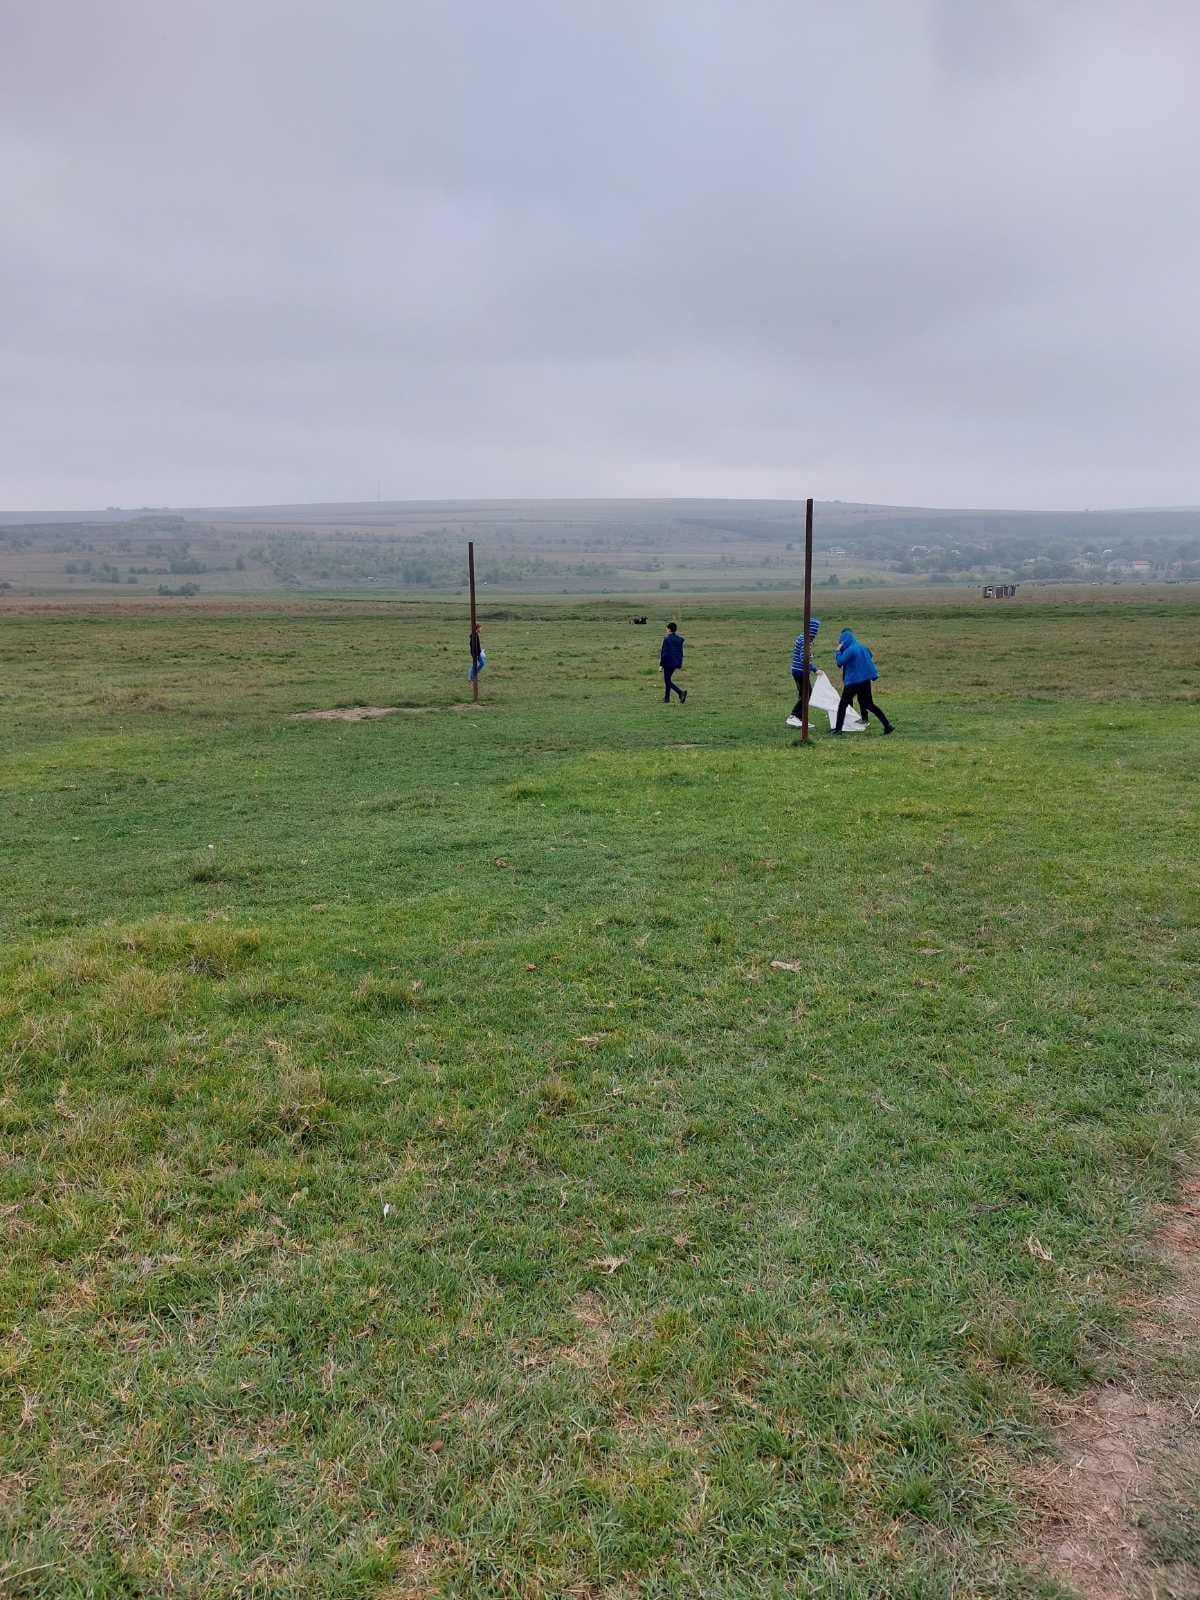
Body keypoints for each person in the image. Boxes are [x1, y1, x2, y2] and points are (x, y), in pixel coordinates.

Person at [832, 627, 894, 735]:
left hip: (853, 681)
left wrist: (838, 651)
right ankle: (887, 725)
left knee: (843, 705)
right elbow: (869, 656)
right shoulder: (863, 647)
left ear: (844, 640)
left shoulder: (850, 650)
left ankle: (838, 730)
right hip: (865, 680)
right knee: (869, 704)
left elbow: (840, 662)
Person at [785, 617, 821, 728]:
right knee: (807, 694)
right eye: (816, 630)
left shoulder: (801, 637)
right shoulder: (806, 640)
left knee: (804, 694)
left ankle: (800, 719)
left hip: (796, 670)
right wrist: (815, 669)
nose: (817, 633)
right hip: (801, 671)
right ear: (812, 630)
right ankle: (794, 716)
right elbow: (803, 658)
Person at [660, 621, 687, 704]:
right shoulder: (679, 639)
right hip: (676, 662)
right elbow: (680, 652)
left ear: (669, 629)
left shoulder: (666, 639)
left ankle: (680, 693)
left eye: (666, 629)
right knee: (668, 679)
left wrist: (661, 665)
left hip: (668, 662)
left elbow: (664, 653)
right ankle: (666, 698)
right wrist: (679, 662)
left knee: (667, 681)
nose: (666, 630)